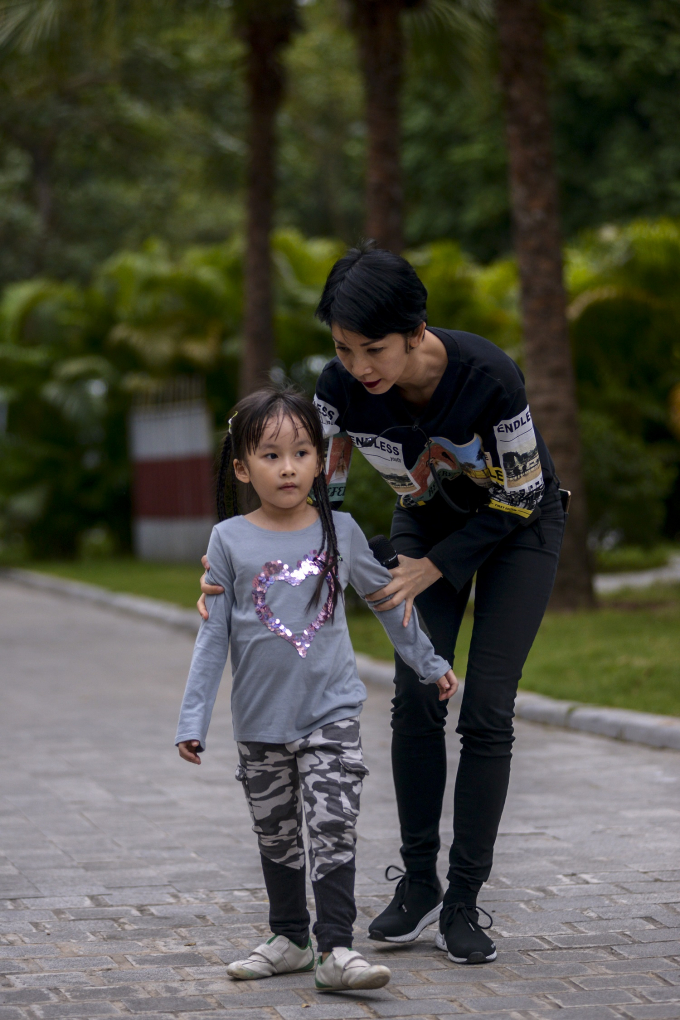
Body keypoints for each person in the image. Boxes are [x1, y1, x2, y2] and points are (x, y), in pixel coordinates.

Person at [198, 247, 566, 966]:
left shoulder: (488, 375)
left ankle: (464, 899)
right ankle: (419, 881)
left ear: (417, 331)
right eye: (343, 347)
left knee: (487, 704)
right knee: (417, 691)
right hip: (424, 521)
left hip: (518, 529)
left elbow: (521, 495)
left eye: (374, 349)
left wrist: (439, 567)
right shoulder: (339, 388)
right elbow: (321, 493)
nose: (360, 365)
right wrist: (237, 567)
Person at [176, 387, 457, 992]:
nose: (287, 467)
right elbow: (213, 637)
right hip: (258, 722)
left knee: (332, 824)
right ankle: (290, 939)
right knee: (276, 833)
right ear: (241, 467)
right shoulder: (228, 540)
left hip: (330, 711)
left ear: (320, 460)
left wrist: (429, 663)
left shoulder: (342, 531)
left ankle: (336, 949)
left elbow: (387, 603)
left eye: (301, 452)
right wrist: (192, 719)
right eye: (270, 455)